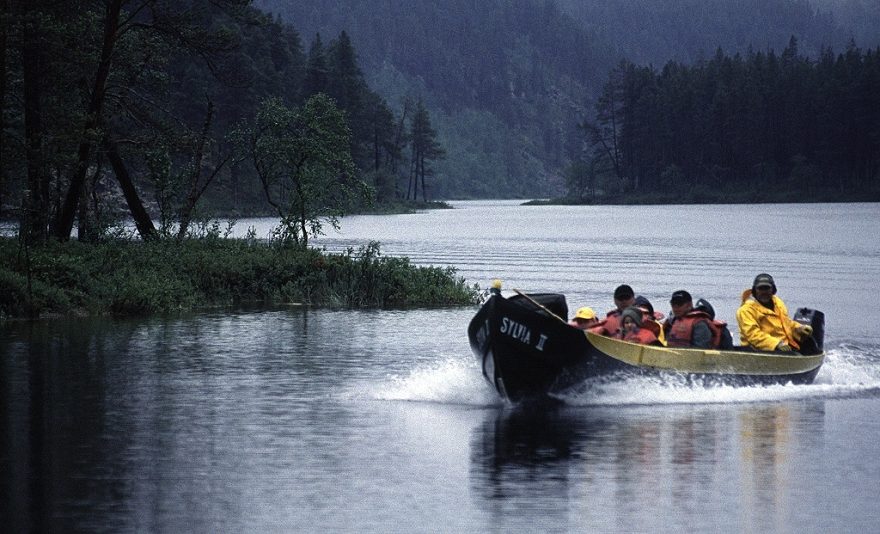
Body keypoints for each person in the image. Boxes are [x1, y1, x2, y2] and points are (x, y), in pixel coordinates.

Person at [736, 273, 812, 352]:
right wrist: (776, 344)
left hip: (784, 346)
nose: (764, 292)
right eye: (760, 288)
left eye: (767, 288)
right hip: (758, 351)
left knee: (811, 343)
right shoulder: (746, 310)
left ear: (773, 290)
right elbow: (753, 334)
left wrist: (799, 328)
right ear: (754, 291)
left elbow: (786, 322)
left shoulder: (778, 303)